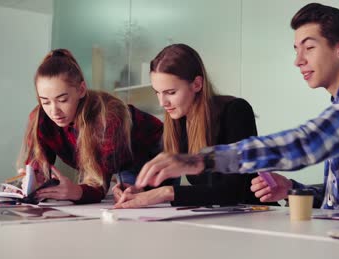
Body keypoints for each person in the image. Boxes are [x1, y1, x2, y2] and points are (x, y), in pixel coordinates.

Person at [132, 3, 339, 213]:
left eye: (308, 48)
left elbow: (310, 141)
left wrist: (201, 160)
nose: (298, 60)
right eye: (296, 50)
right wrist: (293, 189)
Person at [113, 43, 274, 208]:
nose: (162, 103)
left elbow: (233, 190)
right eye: (157, 92)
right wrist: (139, 191)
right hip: (215, 220)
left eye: (170, 92)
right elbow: (165, 183)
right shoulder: (178, 120)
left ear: (197, 84)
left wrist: (167, 193)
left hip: (254, 214)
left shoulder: (236, 111)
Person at [15, 48, 166, 204]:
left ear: (81, 90)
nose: (54, 111)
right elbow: (37, 168)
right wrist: (32, 179)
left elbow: (98, 185)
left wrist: (75, 191)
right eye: (45, 102)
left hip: (156, 155)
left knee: (139, 204)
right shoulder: (40, 118)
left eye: (63, 100)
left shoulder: (106, 118)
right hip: (118, 163)